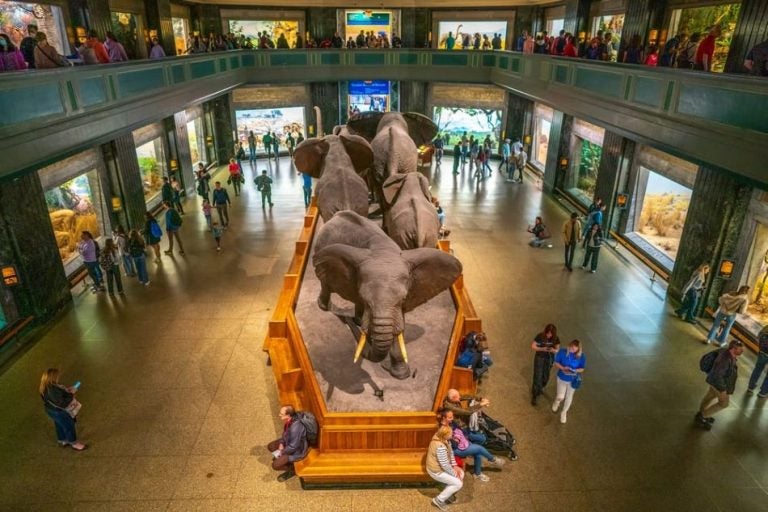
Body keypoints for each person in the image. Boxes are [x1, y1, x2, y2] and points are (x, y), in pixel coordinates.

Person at [439, 409, 504, 483]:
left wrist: (464, 436)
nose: (452, 418)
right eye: (450, 417)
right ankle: (492, 460)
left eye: (452, 416)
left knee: (478, 453)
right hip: (456, 450)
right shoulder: (442, 429)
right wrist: (457, 440)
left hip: (462, 442)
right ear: (444, 418)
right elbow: (451, 445)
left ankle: (477, 473)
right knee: (479, 449)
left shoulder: (451, 423)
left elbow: (460, 430)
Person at [696, 340, 744, 429]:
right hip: (718, 385)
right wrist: (723, 390)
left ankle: (701, 412)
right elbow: (718, 375)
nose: (742, 351)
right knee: (724, 403)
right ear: (733, 349)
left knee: (709, 396)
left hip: (712, 381)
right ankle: (703, 416)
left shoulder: (726, 352)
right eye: (740, 350)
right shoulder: (725, 360)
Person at [39, 368, 86, 451]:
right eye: (57, 376)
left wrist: (67, 391)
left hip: (51, 410)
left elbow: (57, 396)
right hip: (59, 411)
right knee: (69, 425)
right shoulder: (52, 389)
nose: (58, 377)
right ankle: (74, 443)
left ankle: (62, 439)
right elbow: (62, 403)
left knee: (59, 424)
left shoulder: (45, 387)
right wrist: (71, 394)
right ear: (52, 377)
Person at [426, 425, 463, 511]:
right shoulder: (440, 446)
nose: (452, 435)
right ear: (445, 435)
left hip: (441, 467)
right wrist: (454, 473)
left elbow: (451, 453)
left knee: (461, 473)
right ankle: (439, 500)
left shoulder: (444, 439)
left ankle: (448, 494)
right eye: (450, 434)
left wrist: (455, 466)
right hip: (436, 471)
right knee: (458, 483)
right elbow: (444, 464)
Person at [267, 405, 309, 482]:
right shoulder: (290, 421)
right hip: (288, 443)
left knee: (275, 465)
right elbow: (285, 433)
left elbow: (293, 447)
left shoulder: (295, 428)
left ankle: (292, 469)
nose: (279, 415)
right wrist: (281, 443)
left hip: (297, 451)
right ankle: (285, 461)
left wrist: (282, 452)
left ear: (288, 415)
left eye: (281, 414)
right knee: (271, 446)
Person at [552, 339, 586, 424]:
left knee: (569, 397)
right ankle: (557, 402)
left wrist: (574, 370)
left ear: (578, 349)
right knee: (560, 396)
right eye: (571, 347)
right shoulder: (562, 352)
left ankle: (564, 412)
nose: (571, 350)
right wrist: (563, 368)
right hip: (562, 377)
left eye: (574, 349)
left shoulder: (582, 356)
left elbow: (582, 368)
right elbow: (556, 363)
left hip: (573, 380)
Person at [531, 324, 560, 405]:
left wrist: (552, 350)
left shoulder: (556, 339)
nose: (549, 335)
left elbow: (557, 350)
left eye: (551, 334)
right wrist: (542, 349)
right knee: (537, 375)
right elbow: (533, 346)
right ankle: (535, 394)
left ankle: (541, 387)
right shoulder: (540, 336)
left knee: (545, 376)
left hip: (549, 358)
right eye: (548, 333)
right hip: (540, 357)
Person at [747, 327, 768, 398]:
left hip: (763, 352)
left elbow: (759, 336)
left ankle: (751, 387)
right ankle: (763, 392)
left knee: (757, 370)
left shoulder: (766, 327)